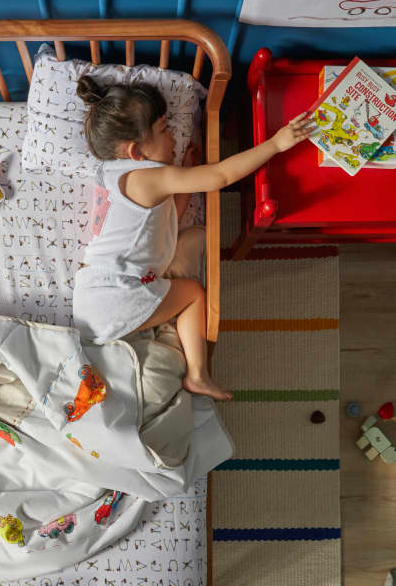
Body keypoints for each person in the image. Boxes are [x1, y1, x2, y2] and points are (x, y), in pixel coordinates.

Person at [74, 75, 315, 401]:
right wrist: (276, 143)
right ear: (136, 151)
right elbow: (220, 175)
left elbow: (163, 217)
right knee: (193, 294)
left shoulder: (111, 174)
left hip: (93, 293)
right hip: (116, 294)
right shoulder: (150, 177)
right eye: (164, 130)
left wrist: (184, 175)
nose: (173, 135)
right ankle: (198, 374)